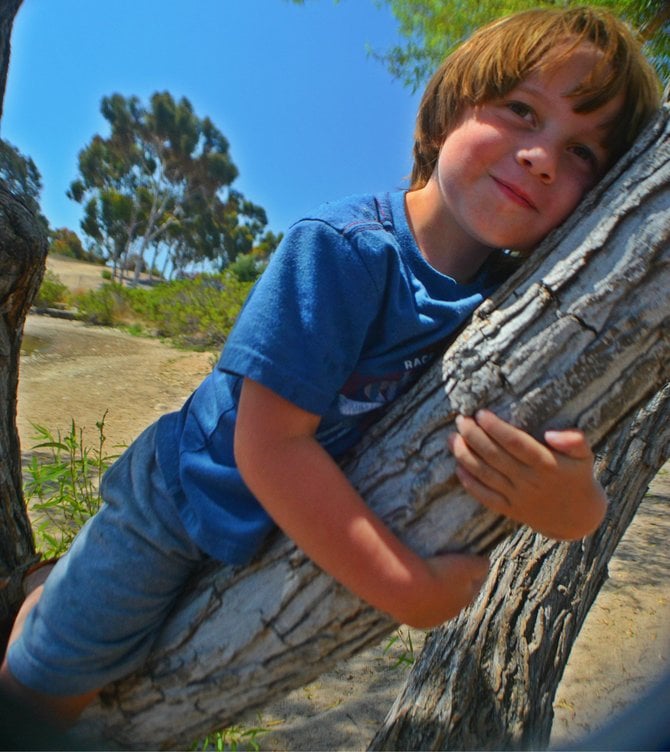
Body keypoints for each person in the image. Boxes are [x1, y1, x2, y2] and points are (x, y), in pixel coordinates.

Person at [0, 5, 661, 730]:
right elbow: (269, 443)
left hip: (280, 529)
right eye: (521, 110)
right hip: (183, 499)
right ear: (446, 115)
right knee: (52, 683)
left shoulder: (527, 299)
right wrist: (408, 590)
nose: (543, 156)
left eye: (583, 155)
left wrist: (579, 508)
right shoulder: (344, 249)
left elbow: (560, 439)